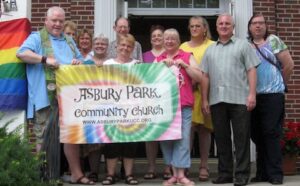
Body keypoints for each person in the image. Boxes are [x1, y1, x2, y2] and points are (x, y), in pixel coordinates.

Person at [16, 6, 95, 185]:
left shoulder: (68, 41)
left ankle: (76, 174)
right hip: (45, 98)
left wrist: (78, 63)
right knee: (43, 138)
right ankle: (44, 177)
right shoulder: (36, 38)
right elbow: (21, 53)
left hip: (69, 99)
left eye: (61, 21)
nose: (58, 24)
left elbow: (82, 62)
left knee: (71, 137)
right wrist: (44, 59)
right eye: (54, 20)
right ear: (46, 21)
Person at [200, 14, 260, 186]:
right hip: (217, 100)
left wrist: (252, 94)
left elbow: (251, 71)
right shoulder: (210, 49)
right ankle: (225, 173)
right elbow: (205, 76)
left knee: (241, 139)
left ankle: (241, 175)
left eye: (227, 23)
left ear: (233, 26)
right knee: (222, 139)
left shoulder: (243, 46)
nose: (224, 26)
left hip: (240, 99)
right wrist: (204, 99)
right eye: (221, 23)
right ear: (216, 27)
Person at [248, 14, 294, 185]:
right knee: (257, 135)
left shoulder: (273, 40)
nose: (258, 26)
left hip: (273, 96)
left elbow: (289, 65)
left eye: (261, 23)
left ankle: (275, 174)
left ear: (266, 26)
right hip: (254, 96)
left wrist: (280, 84)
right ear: (250, 27)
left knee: (271, 133)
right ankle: (262, 173)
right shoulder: (247, 45)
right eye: (255, 23)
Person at [155, 28, 202, 186]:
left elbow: (200, 77)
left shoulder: (187, 56)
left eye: (173, 39)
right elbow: (149, 80)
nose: (169, 41)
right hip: (164, 107)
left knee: (183, 138)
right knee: (167, 139)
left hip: (184, 106)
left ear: (178, 40)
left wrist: (186, 66)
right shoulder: (159, 58)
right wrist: (160, 66)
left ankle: (180, 175)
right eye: (166, 38)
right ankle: (174, 175)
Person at [101, 34, 140, 185]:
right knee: (112, 143)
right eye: (122, 45)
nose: (125, 48)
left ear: (132, 49)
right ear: (116, 47)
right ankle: (110, 175)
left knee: (130, 143)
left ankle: (129, 175)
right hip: (112, 110)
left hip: (132, 110)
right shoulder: (108, 64)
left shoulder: (137, 64)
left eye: (129, 46)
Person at [179, 16, 214, 182]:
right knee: (188, 131)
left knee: (205, 130)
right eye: (191, 26)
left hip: (207, 92)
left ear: (204, 29)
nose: (194, 29)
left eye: (197, 26)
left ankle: (204, 165)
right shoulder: (183, 46)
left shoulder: (212, 46)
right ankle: (184, 166)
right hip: (189, 93)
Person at [142, 24, 171, 180]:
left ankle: (168, 167)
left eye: (160, 35)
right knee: (151, 136)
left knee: (166, 134)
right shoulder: (144, 55)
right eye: (154, 36)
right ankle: (151, 167)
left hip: (167, 100)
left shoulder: (170, 54)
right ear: (151, 39)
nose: (157, 38)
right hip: (149, 101)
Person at [82, 33, 109, 182]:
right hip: (92, 106)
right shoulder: (85, 63)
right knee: (94, 141)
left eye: (103, 44)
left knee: (111, 139)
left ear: (107, 47)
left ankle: (113, 172)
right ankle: (94, 171)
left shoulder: (112, 62)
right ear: (93, 45)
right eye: (97, 43)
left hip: (111, 106)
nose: (100, 46)